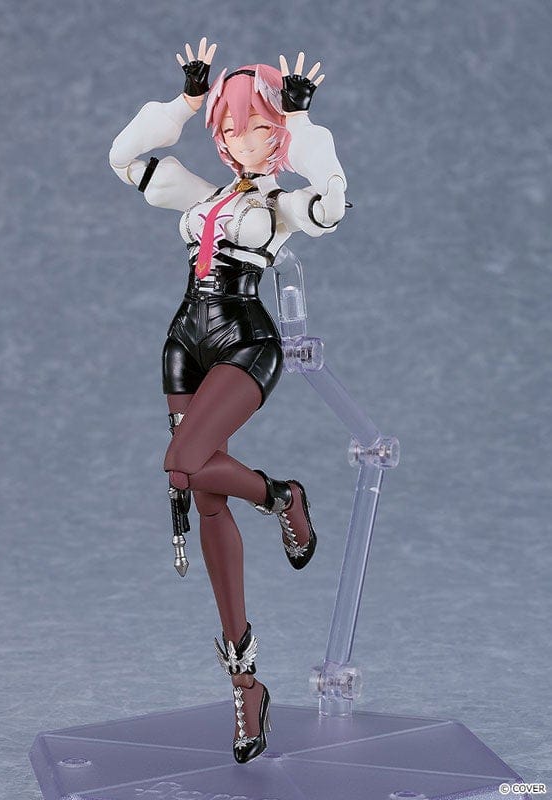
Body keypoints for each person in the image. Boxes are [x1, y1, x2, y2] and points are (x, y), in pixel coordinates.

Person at [109, 37, 346, 763]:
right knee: (205, 498)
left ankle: (280, 496)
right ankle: (247, 685)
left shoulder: (281, 202)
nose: (248, 139)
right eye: (235, 127)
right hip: (185, 341)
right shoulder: (201, 194)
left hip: (247, 341)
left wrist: (303, 122)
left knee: (183, 463)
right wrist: (184, 103)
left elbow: (333, 204)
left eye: (263, 126)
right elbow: (124, 157)